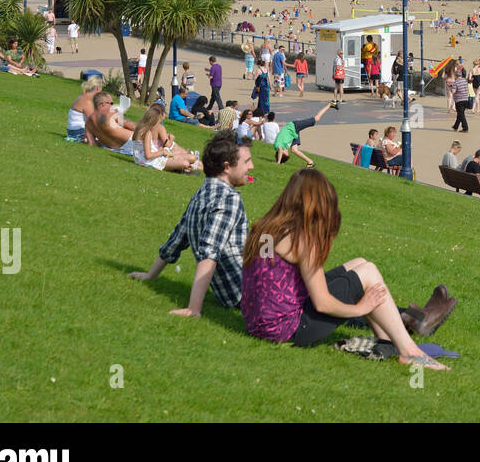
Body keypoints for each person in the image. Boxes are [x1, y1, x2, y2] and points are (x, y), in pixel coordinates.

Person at [239, 169, 449, 368]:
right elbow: (322, 304)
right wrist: (360, 308)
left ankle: (386, 340)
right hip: (289, 329)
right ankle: (409, 352)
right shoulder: (301, 240)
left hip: (259, 323)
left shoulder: (264, 227)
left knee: (360, 263)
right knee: (368, 273)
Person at [128, 133, 254, 316]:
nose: (251, 166)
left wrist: (151, 275)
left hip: (232, 292)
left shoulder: (202, 193)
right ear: (227, 167)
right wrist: (194, 308)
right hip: (248, 293)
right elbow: (209, 252)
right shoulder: (228, 199)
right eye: (246, 161)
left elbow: (177, 239)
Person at [131, 102, 201, 173]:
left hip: (151, 158)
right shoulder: (147, 133)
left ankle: (181, 165)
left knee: (192, 158)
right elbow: (148, 156)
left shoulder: (139, 129)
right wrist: (162, 152)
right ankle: (180, 166)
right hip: (151, 161)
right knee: (185, 163)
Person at [274, 102, 334, 166]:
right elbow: (281, 151)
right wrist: (281, 162)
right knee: (294, 150)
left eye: (286, 153)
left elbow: (280, 150)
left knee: (317, 118)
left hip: (294, 126)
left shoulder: (278, 145)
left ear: (281, 153)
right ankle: (310, 162)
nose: (287, 151)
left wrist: (278, 162)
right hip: (293, 134)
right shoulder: (284, 147)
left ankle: (330, 104)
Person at [450, 65, 471, 132]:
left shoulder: (456, 82)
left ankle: (465, 128)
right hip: (465, 99)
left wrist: (451, 87)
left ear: (456, 75)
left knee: (461, 115)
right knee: (460, 114)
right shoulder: (465, 80)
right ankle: (455, 126)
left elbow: (453, 92)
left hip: (459, 100)